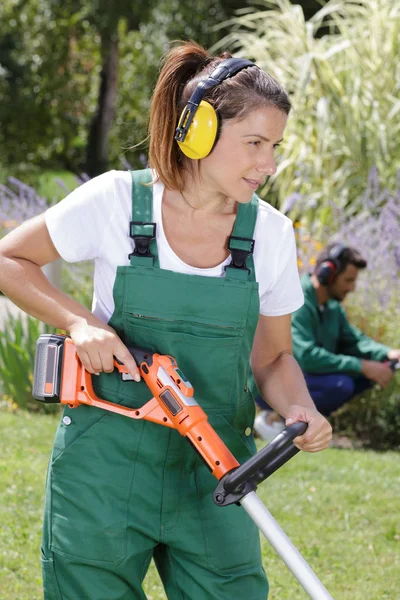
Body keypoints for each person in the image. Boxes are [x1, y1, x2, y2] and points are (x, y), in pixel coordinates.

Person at [0, 41, 332, 600]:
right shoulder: (116, 203)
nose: (268, 165)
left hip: (218, 473)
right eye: (254, 143)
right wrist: (81, 323)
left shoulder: (271, 234)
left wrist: (298, 405)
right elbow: (9, 259)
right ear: (197, 131)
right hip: (104, 469)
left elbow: (273, 357)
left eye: (274, 146)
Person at [290, 243, 400, 417]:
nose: (352, 288)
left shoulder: (332, 307)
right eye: (348, 280)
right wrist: (361, 366)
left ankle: (302, 422)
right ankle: (280, 418)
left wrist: (387, 354)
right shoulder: (297, 301)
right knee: (341, 384)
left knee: (367, 376)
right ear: (328, 274)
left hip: (306, 378)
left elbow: (354, 341)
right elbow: (306, 357)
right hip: (275, 384)